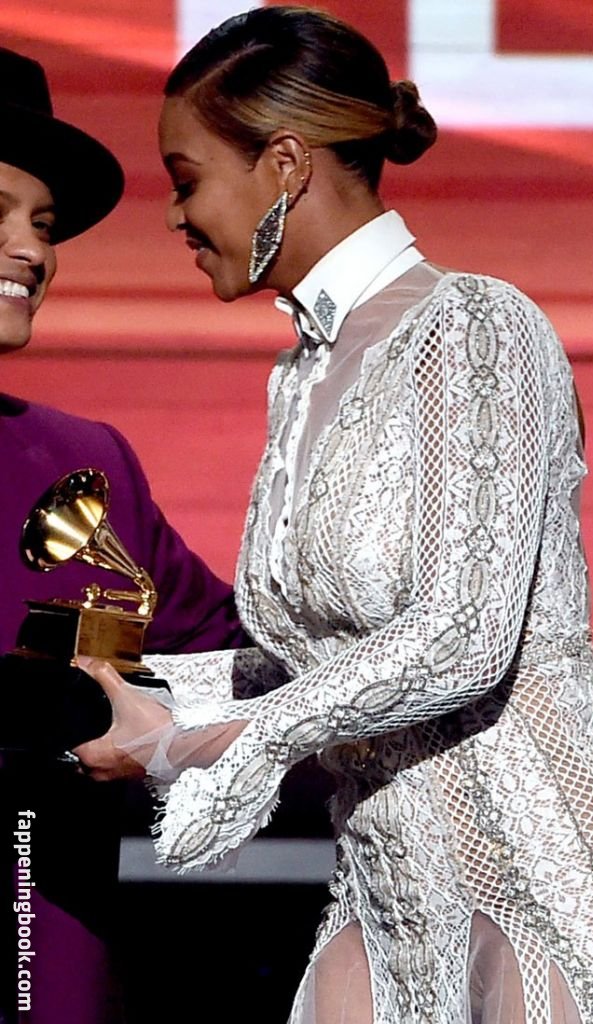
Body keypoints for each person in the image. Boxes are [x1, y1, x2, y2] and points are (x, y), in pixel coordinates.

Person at [76, 7, 593, 1023]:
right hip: (389, 900)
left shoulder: (475, 325)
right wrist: (115, 685)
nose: (174, 214)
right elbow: (319, 663)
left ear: (284, 164)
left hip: (554, 884)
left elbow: (459, 637)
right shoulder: (301, 375)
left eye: (186, 178)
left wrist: (201, 744)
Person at [0, 47, 253, 1023]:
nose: (31, 253)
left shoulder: (83, 461)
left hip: (44, 947)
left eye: (44, 225)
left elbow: (233, 655)